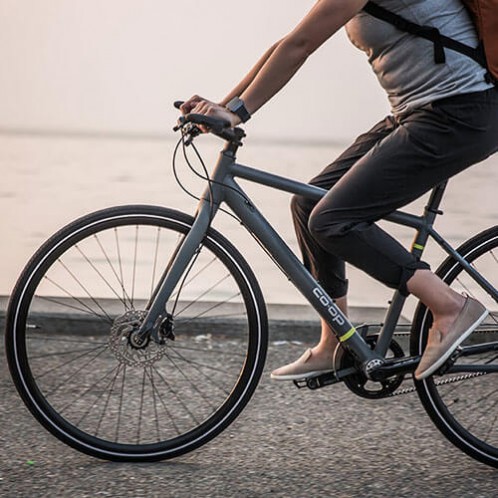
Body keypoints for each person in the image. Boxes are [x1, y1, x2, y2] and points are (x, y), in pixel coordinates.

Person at [180, 0, 498, 381]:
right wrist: (223, 107)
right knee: (308, 201)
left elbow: (300, 46)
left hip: (460, 112)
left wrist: (239, 112)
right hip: (420, 112)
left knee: (332, 220)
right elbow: (287, 43)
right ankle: (337, 342)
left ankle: (449, 305)